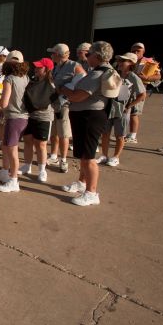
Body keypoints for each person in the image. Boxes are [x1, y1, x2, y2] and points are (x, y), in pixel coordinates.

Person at [60, 41, 114, 206]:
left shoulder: (97, 74)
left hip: (90, 117)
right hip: (86, 116)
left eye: (89, 53)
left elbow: (78, 96)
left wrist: (63, 89)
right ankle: (82, 183)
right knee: (84, 154)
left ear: (97, 56)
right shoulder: (97, 71)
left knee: (89, 157)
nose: (86, 56)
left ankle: (92, 192)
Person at [97, 53, 146, 167]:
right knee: (105, 133)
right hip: (110, 107)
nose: (119, 63)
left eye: (123, 61)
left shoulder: (133, 77)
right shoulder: (116, 73)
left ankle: (115, 157)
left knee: (120, 135)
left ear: (131, 63)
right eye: (119, 60)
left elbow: (142, 95)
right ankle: (104, 155)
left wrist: (129, 106)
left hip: (122, 109)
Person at [0, 50, 29, 192]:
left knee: (11, 149)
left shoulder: (9, 79)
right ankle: (4, 172)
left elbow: (4, 102)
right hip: (22, 117)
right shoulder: (25, 77)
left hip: (14, 117)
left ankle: (14, 180)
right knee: (7, 146)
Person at [48, 43, 86, 173]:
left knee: (63, 133)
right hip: (54, 102)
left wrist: (68, 89)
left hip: (64, 104)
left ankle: (63, 160)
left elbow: (83, 79)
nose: (51, 55)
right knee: (53, 131)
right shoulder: (56, 67)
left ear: (58, 55)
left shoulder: (74, 65)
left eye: (53, 53)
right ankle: (53, 155)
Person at [19, 57, 56, 183]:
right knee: (28, 141)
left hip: (44, 118)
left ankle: (42, 170)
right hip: (29, 116)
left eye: (39, 67)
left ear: (47, 70)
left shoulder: (52, 83)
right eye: (36, 67)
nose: (36, 69)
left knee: (41, 145)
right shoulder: (32, 81)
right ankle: (27, 166)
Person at [126, 42, 161, 144]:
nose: (136, 52)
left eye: (138, 50)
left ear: (143, 51)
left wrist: (147, 78)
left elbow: (159, 76)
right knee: (126, 111)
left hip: (139, 90)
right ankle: (127, 133)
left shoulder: (149, 62)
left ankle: (133, 135)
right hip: (127, 89)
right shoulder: (128, 59)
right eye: (133, 50)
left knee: (134, 113)